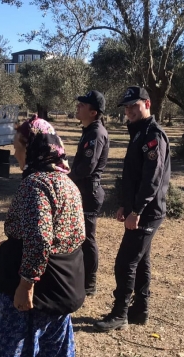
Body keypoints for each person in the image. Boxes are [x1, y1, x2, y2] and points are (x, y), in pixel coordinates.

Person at [0, 116, 85, 357]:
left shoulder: (35, 183)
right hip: (63, 287)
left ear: (32, 148)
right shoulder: (67, 182)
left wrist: (26, 283)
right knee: (57, 353)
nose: (15, 154)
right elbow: (74, 235)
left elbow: (41, 239)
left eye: (17, 148)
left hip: (34, 290)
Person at [94, 86, 171, 332]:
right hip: (139, 209)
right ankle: (141, 310)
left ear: (147, 104)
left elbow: (152, 179)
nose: (129, 111)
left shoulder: (152, 135)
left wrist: (136, 211)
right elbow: (134, 176)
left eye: (134, 106)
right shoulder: (139, 132)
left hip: (147, 211)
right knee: (141, 260)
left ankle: (120, 313)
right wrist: (125, 206)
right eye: (126, 107)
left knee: (125, 261)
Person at [69, 90, 109, 296]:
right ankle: (80, 277)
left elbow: (87, 168)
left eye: (82, 105)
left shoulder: (95, 133)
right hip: (82, 191)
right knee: (79, 237)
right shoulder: (88, 131)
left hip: (89, 193)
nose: (78, 107)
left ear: (93, 112)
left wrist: (66, 178)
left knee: (87, 239)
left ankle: (90, 283)